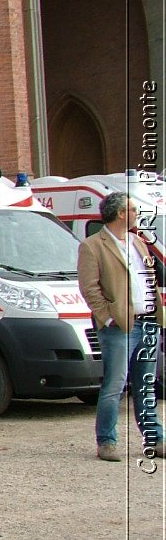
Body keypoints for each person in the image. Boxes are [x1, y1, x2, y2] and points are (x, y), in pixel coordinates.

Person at [77, 191, 163, 463]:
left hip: (147, 322)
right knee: (115, 385)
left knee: (146, 384)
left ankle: (155, 438)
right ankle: (107, 441)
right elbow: (89, 288)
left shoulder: (137, 242)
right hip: (120, 326)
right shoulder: (93, 246)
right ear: (120, 213)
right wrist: (109, 318)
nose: (137, 214)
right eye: (133, 210)